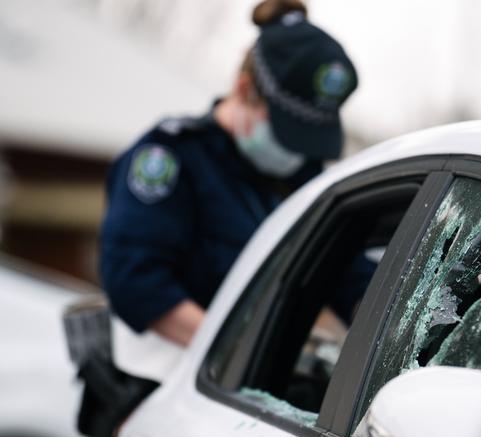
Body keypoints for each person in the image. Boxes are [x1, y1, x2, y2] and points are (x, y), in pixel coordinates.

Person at [100, 0, 363, 347]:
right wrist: (239, 353)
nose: (297, 152)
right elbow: (135, 281)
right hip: (162, 385)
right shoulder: (172, 159)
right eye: (288, 131)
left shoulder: (303, 177)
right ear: (243, 91)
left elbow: (350, 275)